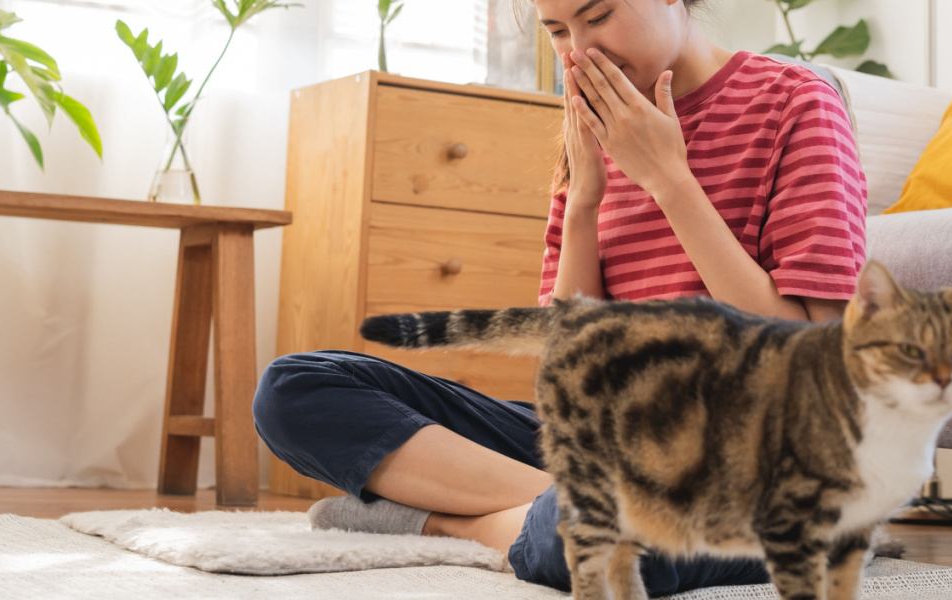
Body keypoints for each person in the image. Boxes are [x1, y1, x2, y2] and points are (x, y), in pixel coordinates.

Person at [253, 0, 867, 594]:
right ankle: (559, 504)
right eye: (558, 31)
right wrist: (584, 204)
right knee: (294, 390)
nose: (581, 52)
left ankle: (450, 521)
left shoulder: (796, 104)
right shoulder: (593, 125)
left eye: (598, 16)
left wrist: (668, 180)